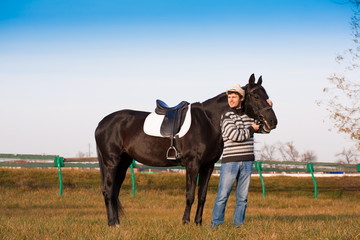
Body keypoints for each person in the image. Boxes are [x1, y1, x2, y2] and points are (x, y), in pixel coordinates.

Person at [210, 83, 273, 228]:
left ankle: (238, 225)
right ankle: (216, 224)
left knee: (242, 198)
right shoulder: (226, 116)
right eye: (229, 97)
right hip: (230, 162)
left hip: (247, 162)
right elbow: (235, 135)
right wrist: (251, 129)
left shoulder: (249, 116)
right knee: (222, 196)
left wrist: (268, 108)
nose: (230, 100)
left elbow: (266, 129)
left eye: (234, 97)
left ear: (242, 99)